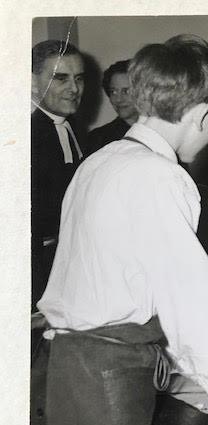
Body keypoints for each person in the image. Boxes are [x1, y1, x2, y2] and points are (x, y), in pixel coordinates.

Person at [36, 34, 208, 425]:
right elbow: (189, 298)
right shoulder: (159, 177)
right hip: (107, 376)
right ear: (200, 114)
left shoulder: (100, 161)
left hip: (67, 367)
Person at [31, 40, 86, 310]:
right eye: (60, 78)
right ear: (31, 81)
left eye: (78, 79)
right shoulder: (25, 134)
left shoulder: (71, 125)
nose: (74, 89)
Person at [87, 59, 138, 154]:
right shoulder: (97, 139)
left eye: (126, 91)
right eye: (113, 92)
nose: (118, 99)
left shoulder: (158, 130)